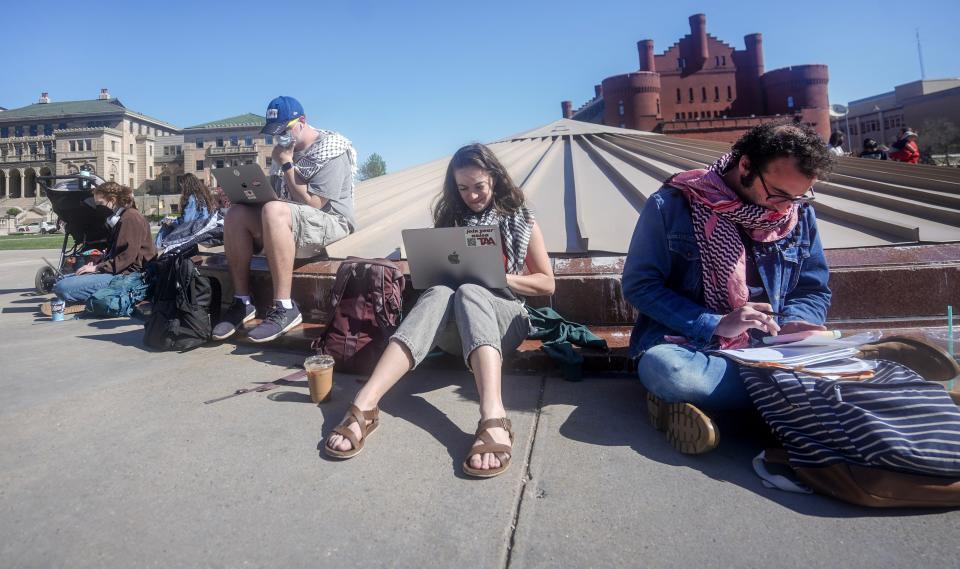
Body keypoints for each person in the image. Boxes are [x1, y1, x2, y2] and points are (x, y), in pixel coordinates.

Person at [323, 143, 555, 478]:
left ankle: (493, 415)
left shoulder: (521, 219)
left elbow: (547, 284)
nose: (472, 196)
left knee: (472, 290)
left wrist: (498, 277)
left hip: (505, 320)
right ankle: (366, 403)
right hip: (456, 331)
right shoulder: (450, 219)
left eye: (479, 187)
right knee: (440, 291)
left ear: (495, 180)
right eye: (463, 189)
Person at [212, 96, 357, 343]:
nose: (280, 138)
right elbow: (273, 197)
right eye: (274, 133)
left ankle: (285, 306)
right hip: (289, 217)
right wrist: (243, 196)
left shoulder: (332, 149)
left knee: (273, 210)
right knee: (236, 214)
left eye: (284, 131)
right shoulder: (282, 154)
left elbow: (313, 204)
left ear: (301, 122)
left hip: (330, 220)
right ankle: (242, 302)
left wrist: (288, 164)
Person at [46, 182, 155, 313]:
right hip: (119, 272)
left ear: (112, 200)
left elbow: (126, 258)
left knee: (61, 287)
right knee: (66, 278)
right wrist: (101, 261)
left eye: (101, 204)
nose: (98, 208)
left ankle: (104, 298)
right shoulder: (123, 217)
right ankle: (93, 295)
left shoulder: (130, 218)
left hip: (130, 277)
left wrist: (97, 267)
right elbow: (120, 254)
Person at [154, 174, 217, 248]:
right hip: (200, 226)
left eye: (182, 186)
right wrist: (173, 216)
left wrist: (171, 221)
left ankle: (157, 248)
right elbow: (188, 214)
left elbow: (186, 222)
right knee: (168, 219)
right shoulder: (202, 196)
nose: (182, 189)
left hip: (192, 229)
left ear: (187, 185)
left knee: (165, 226)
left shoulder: (192, 198)